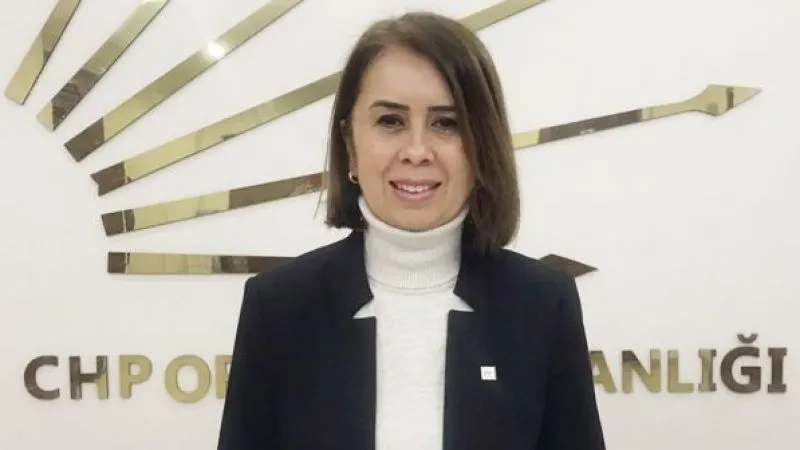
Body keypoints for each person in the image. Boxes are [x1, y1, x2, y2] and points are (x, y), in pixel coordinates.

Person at [217, 11, 605, 450]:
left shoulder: (542, 304)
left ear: (482, 145)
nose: (417, 151)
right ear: (350, 144)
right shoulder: (278, 307)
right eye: (390, 121)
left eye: (446, 123)